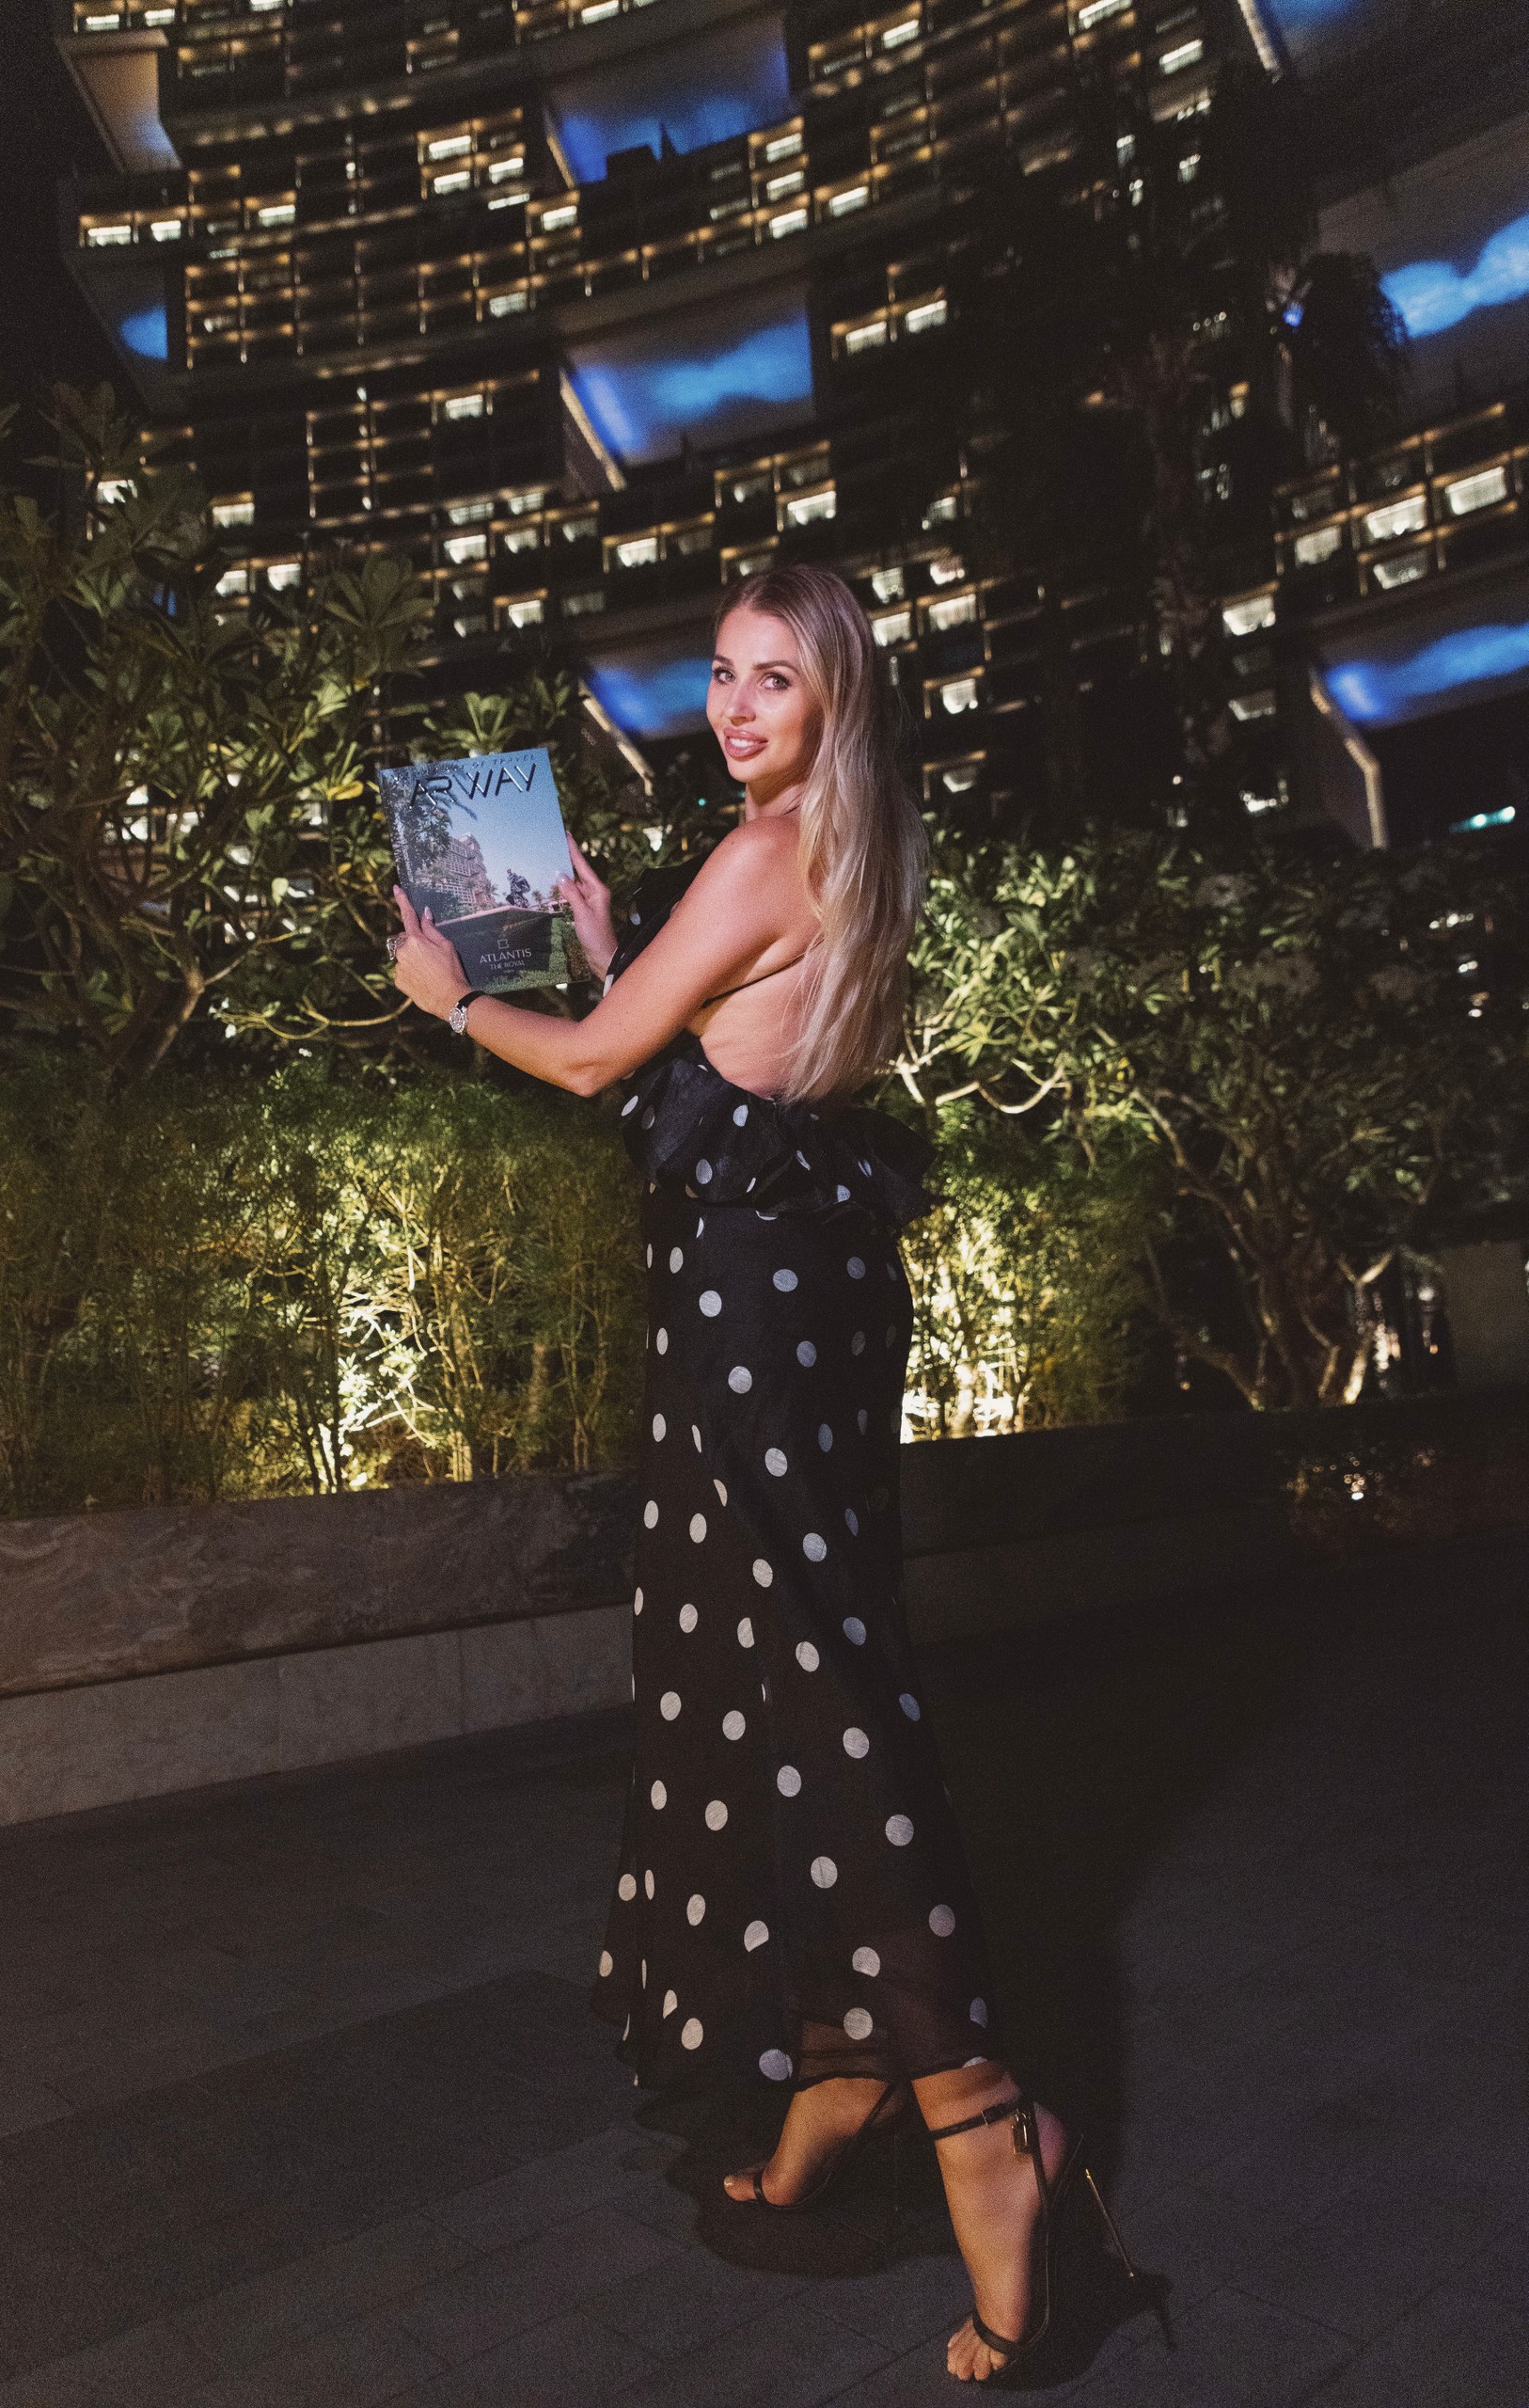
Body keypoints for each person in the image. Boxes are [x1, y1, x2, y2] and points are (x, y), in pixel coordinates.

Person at [389, 563, 1147, 2384]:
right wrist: (602, 937)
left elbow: (598, 1068)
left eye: (773, 680)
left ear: (835, 698)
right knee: (791, 1668)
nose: (733, 707)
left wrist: (450, 998)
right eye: (720, 673)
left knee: (806, 1691)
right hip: (807, 1300)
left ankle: (981, 2119)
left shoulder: (756, 855)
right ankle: (840, 2065)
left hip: (748, 1318)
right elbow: (726, 1064)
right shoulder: (853, 847)